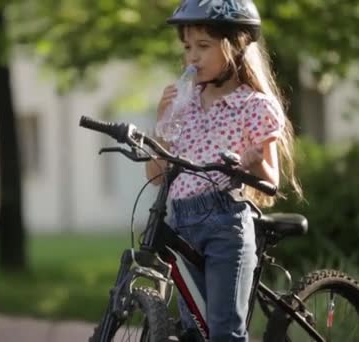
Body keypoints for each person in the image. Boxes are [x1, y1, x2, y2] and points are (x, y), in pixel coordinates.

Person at [145, 0, 302, 340]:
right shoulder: (185, 106)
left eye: (203, 46)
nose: (192, 57)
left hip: (225, 225)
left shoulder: (252, 106)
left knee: (223, 331)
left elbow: (271, 180)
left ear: (235, 47)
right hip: (182, 224)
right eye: (187, 47)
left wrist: (254, 161)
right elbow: (156, 177)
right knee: (194, 330)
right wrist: (162, 123)